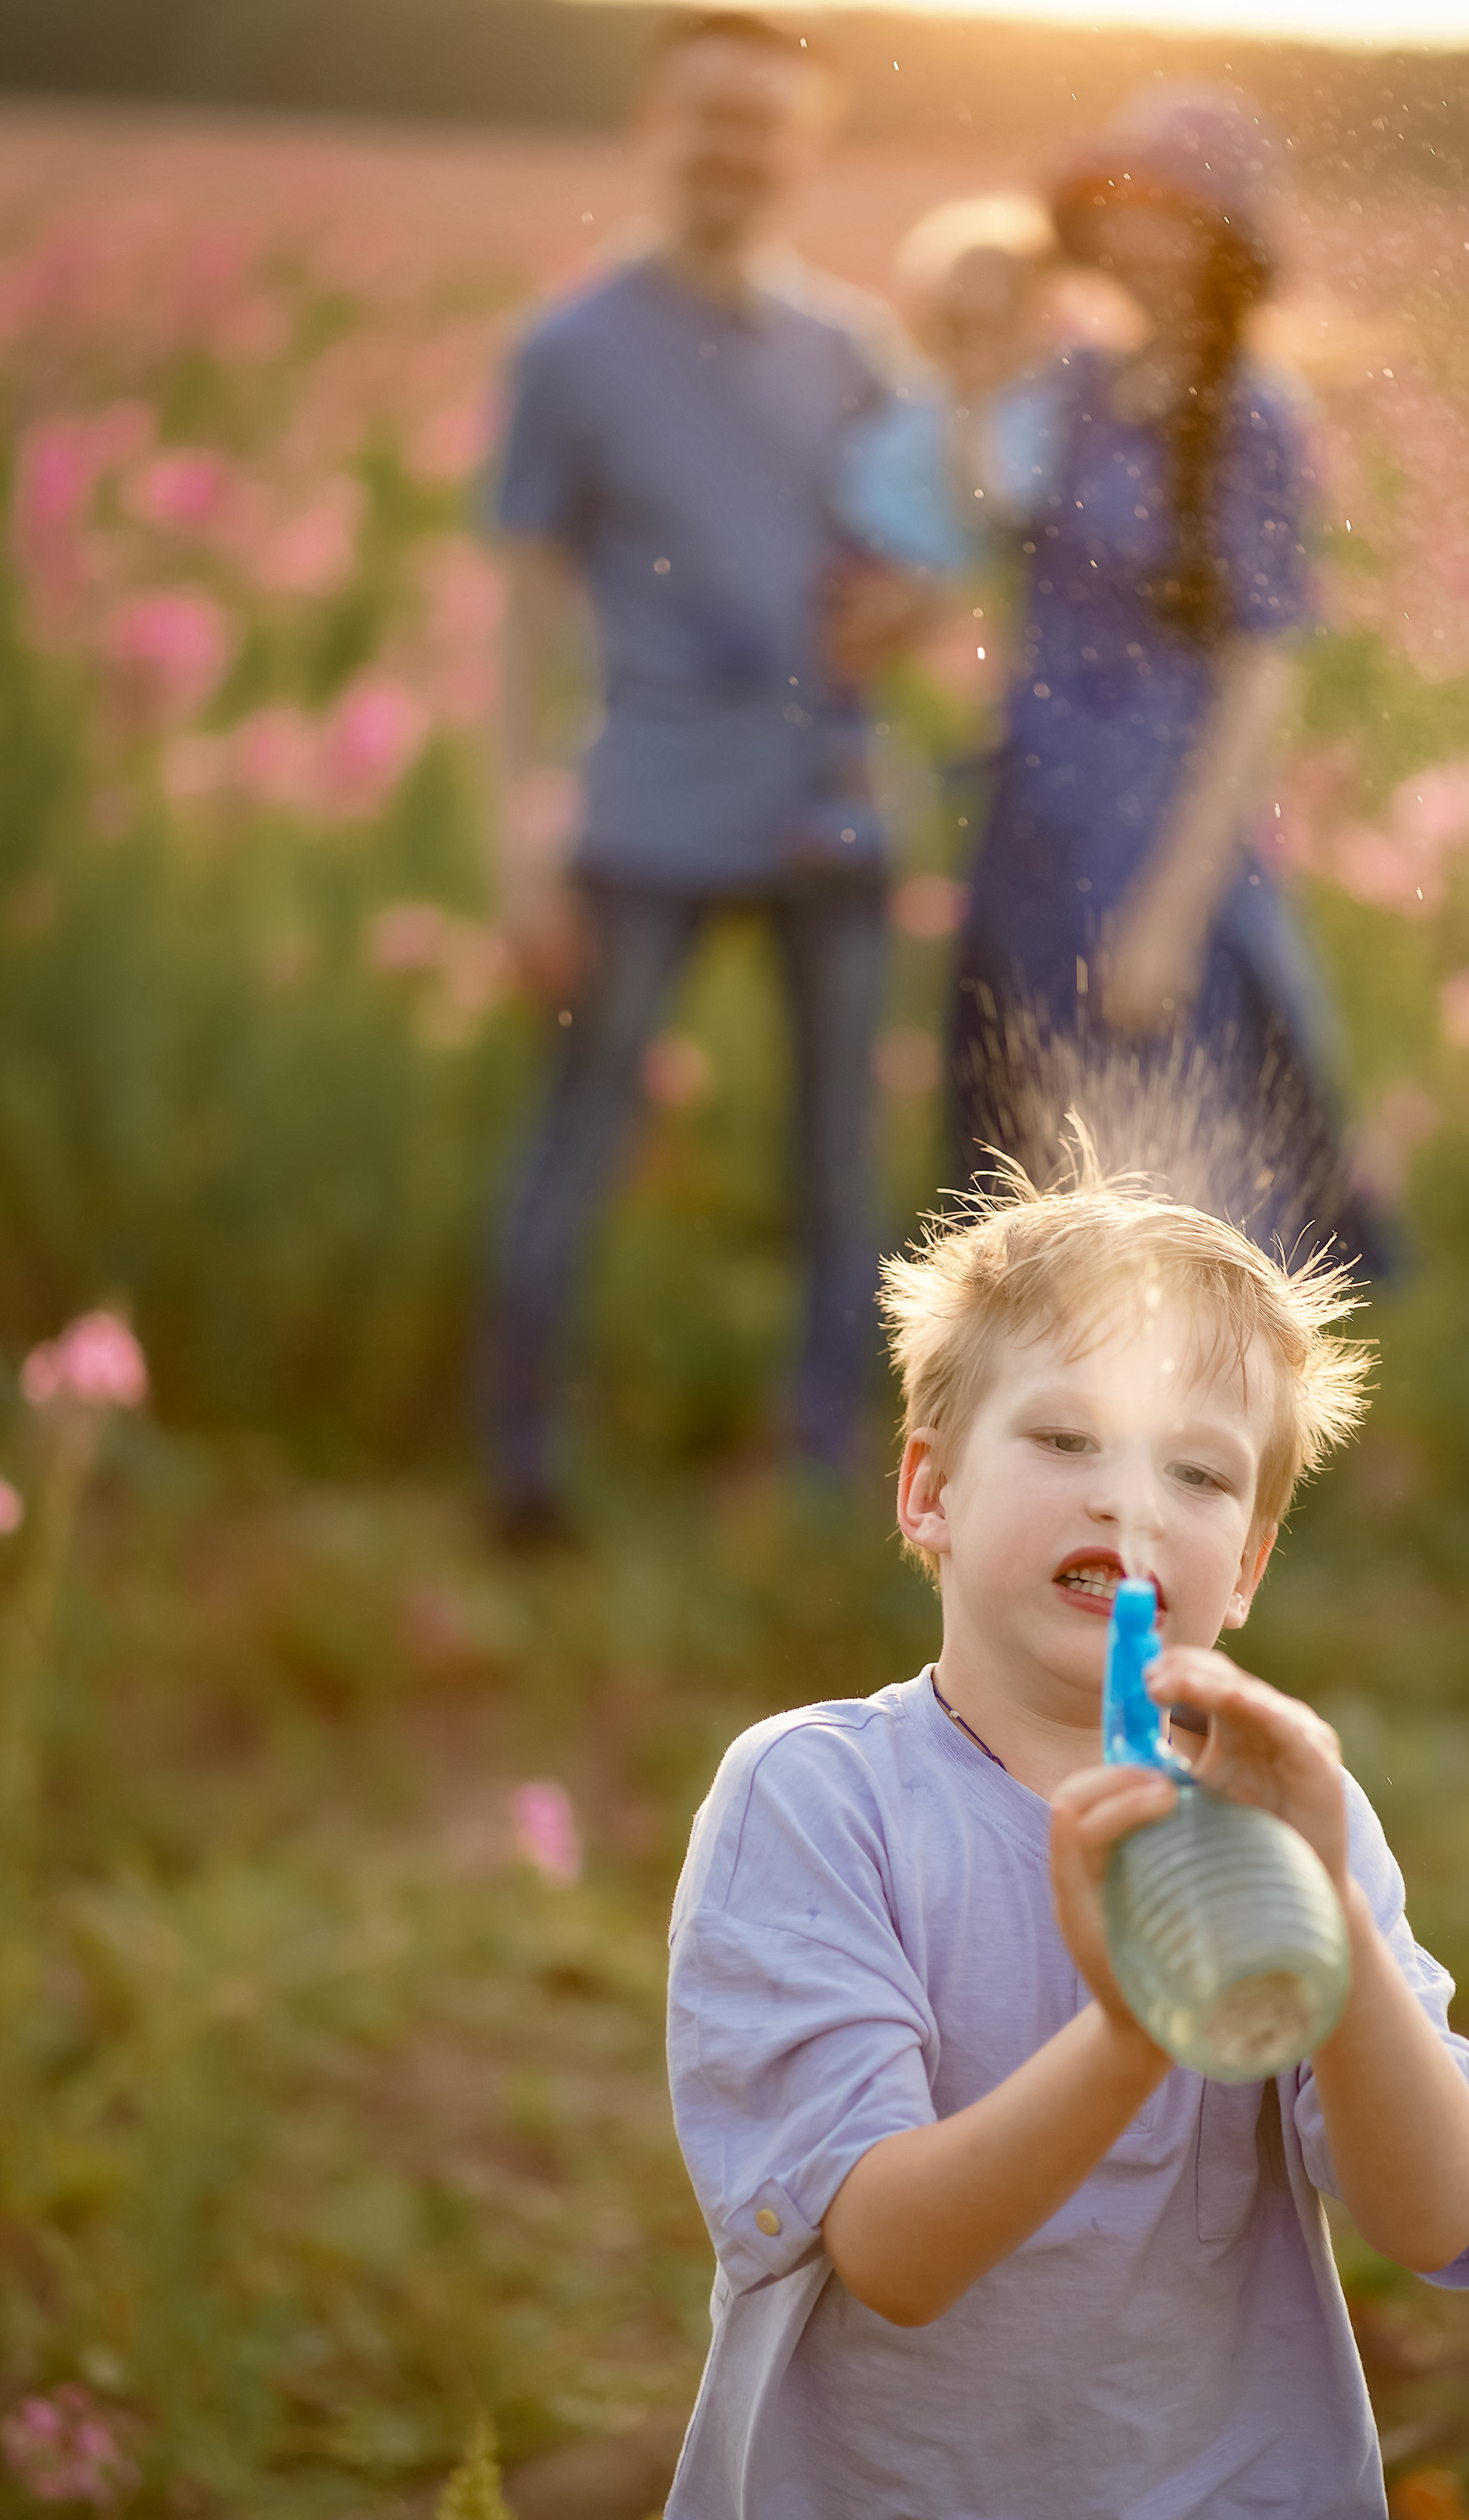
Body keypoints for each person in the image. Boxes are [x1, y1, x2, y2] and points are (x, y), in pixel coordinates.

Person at [652, 1137, 1469, 2520]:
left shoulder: (1284, 1812)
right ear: (929, 1490)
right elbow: (892, 2258)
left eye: (1199, 1474)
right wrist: (1134, 2029)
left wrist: (1316, 1910)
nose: (1128, 1499)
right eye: (1065, 1439)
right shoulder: (817, 1803)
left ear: (1246, 1568)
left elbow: (1434, 2215)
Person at [485, 11, 896, 1540]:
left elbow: (921, 554)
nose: (740, 149)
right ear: (655, 127)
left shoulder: (855, 352)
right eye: (712, 116)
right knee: (579, 1138)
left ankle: (827, 1474)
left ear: (809, 148)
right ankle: (523, 1476)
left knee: (838, 1164)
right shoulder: (570, 352)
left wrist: (905, 612)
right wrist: (519, 839)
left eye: (769, 123)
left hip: (830, 810)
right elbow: (523, 620)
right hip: (646, 812)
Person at [952, 90, 1382, 1270]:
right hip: (1033, 830)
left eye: (1173, 215)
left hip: (1155, 842)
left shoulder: (1255, 414)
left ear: (1224, 243)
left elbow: (1260, 678)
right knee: (1031, 1193)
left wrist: (1171, 913)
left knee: (1168, 1213)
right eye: (1122, 209)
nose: (1137, 237)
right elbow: (991, 516)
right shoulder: (1078, 385)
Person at [834, 193, 1061, 583]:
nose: (976, 345)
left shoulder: (1049, 409)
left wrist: (972, 414)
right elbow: (861, 502)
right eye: (957, 324)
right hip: (904, 585)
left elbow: (1005, 514)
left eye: (996, 321)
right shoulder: (911, 402)